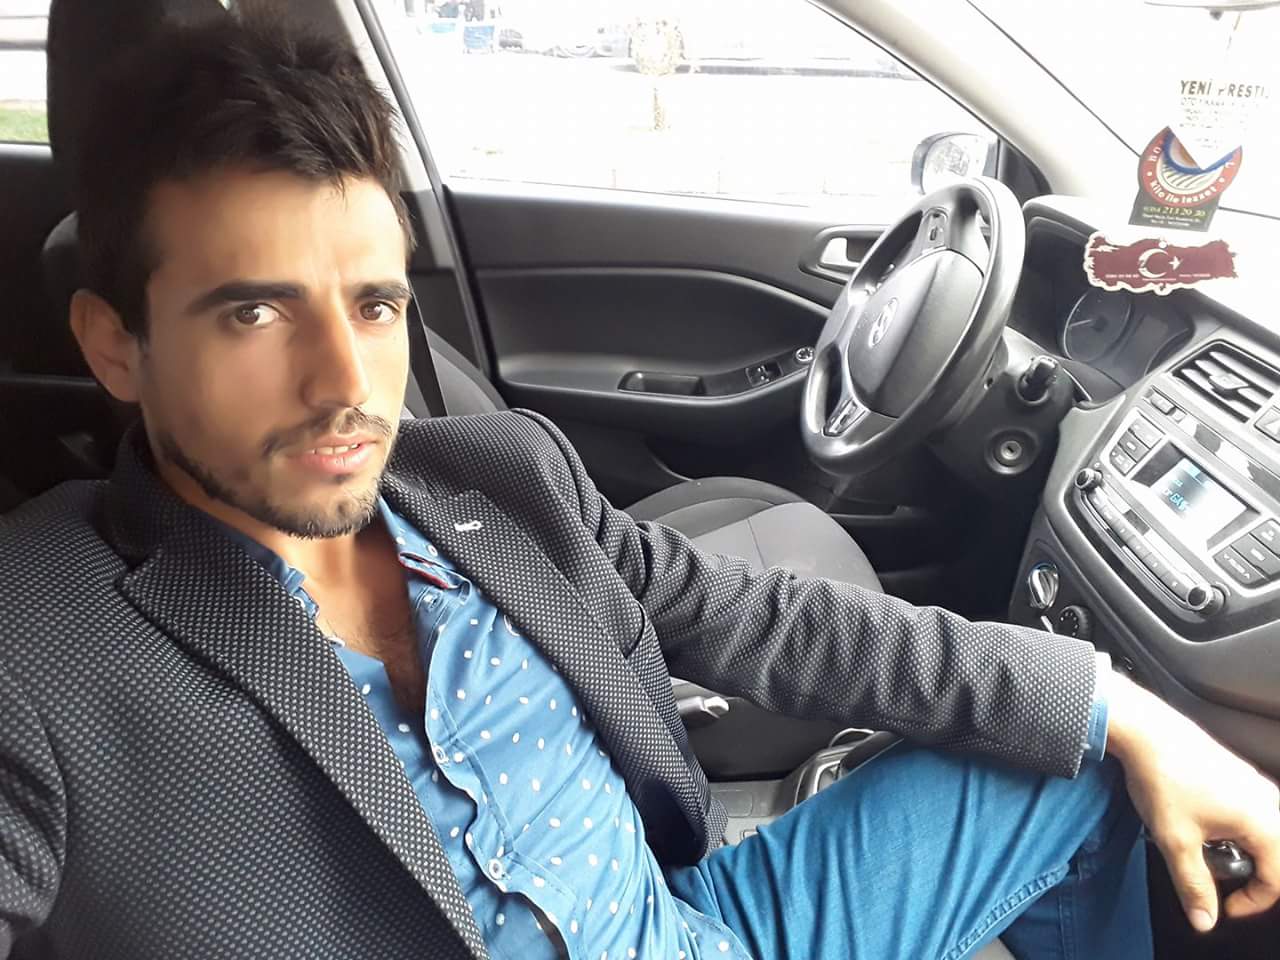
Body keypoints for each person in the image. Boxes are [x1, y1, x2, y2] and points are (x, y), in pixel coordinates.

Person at [1, 7, 1277, 960]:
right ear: (115, 346)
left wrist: (1125, 706)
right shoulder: (36, 647)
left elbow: (765, 618)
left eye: (375, 304)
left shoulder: (494, 476)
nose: (347, 381)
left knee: (1080, 760)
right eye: (256, 312)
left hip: (694, 923)